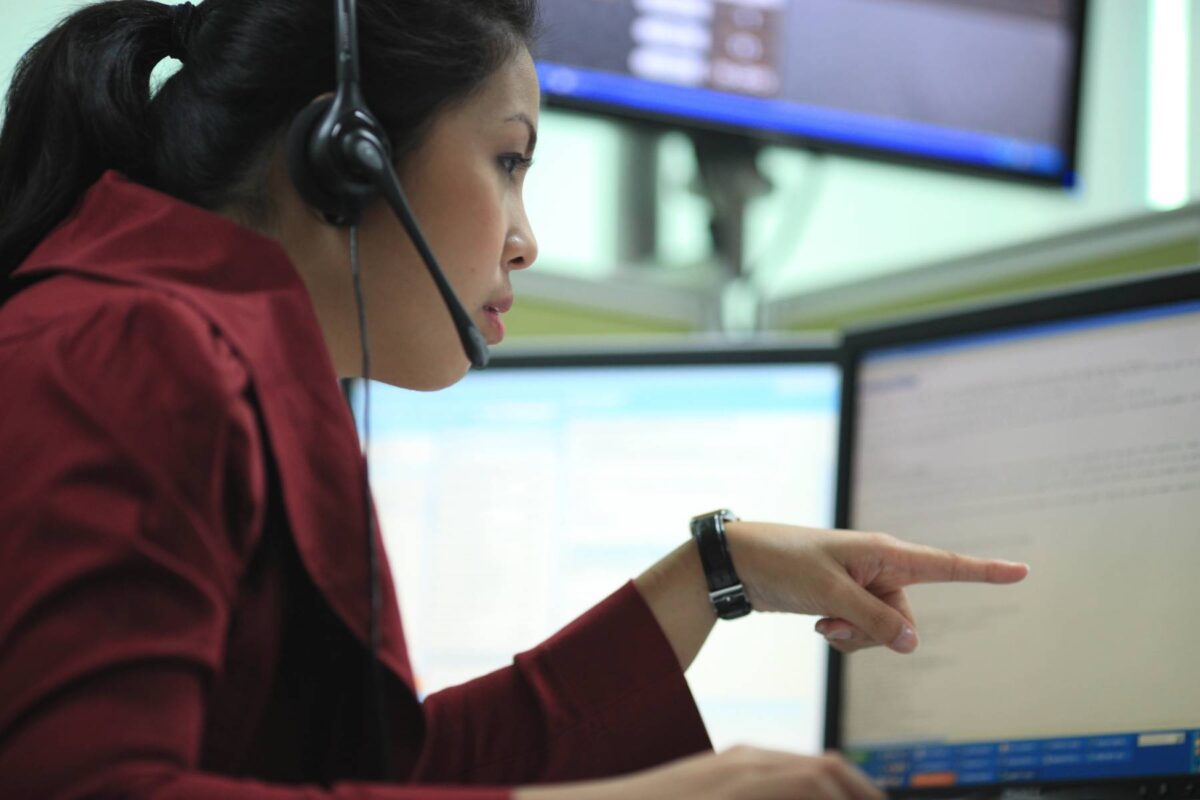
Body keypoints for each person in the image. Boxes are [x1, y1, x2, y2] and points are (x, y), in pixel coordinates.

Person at [0, 1, 1030, 798]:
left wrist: (721, 571)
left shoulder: (196, 347)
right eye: (507, 159)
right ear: (343, 159)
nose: (525, 239)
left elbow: (390, 775)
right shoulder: (128, 350)